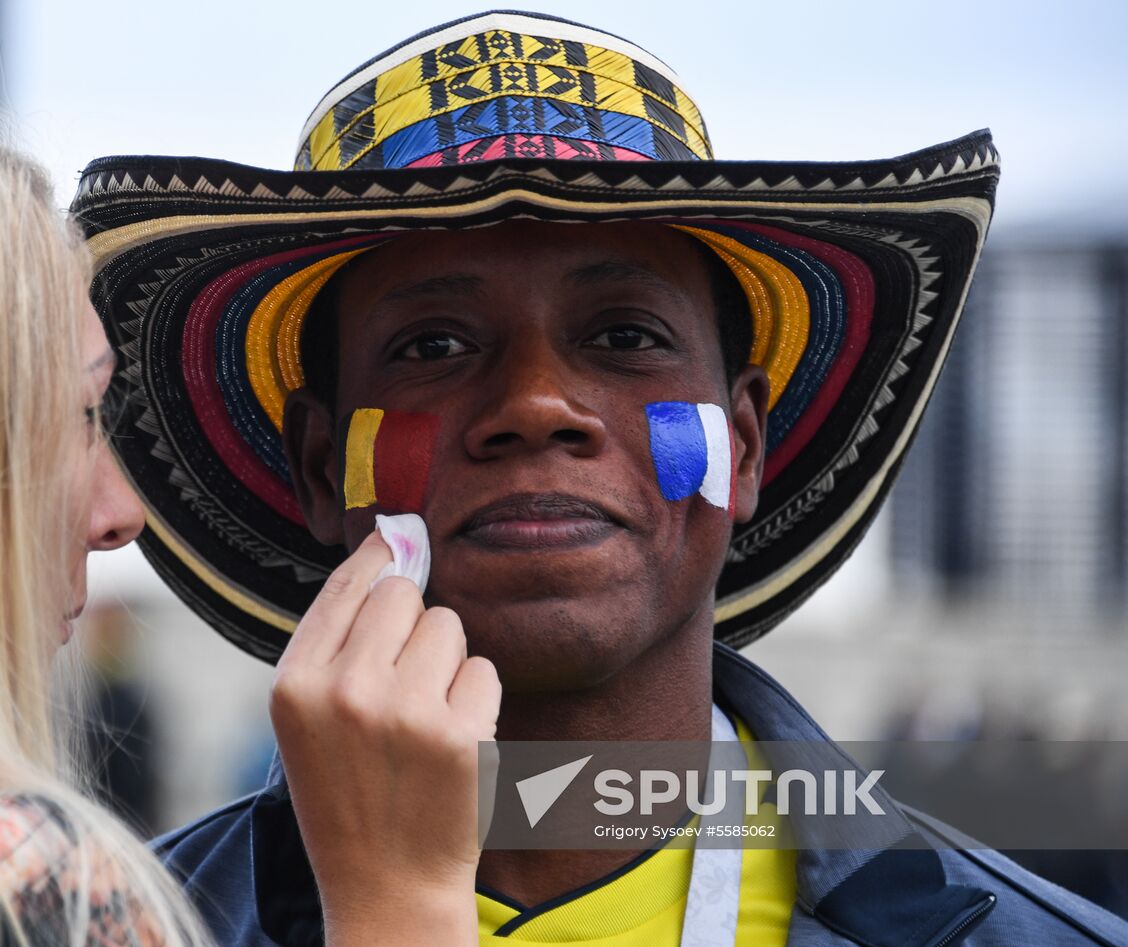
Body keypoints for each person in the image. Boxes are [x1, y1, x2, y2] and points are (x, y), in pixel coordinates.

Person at [72, 10, 1128, 947]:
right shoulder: (107, 929)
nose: (537, 403)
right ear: (319, 465)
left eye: (625, 335)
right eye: (433, 345)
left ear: (743, 448)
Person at [0, 73, 494, 947]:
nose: (121, 515)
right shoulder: (32, 891)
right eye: (78, 413)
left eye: (614, 337)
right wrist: (398, 904)